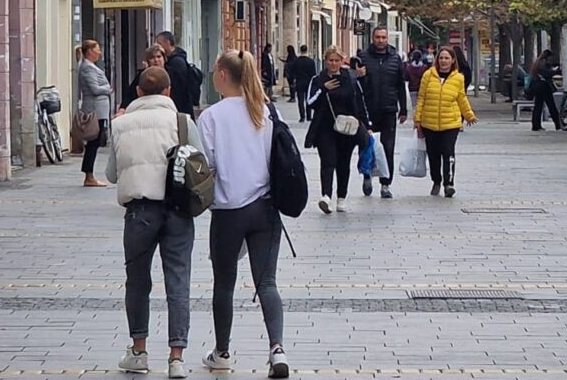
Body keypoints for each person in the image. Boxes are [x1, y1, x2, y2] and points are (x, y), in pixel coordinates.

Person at [197, 50, 289, 378]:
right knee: (267, 282)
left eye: (213, 71)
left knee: (224, 283)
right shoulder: (265, 111)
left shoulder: (211, 117)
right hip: (265, 209)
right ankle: (277, 349)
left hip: (228, 211)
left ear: (223, 75)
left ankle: (222, 352)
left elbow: (205, 167)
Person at [106, 67, 202, 379]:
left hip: (139, 212)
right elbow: (202, 162)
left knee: (137, 281)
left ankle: (139, 351)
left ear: (137, 92)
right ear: (168, 91)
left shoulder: (121, 124)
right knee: (178, 280)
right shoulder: (183, 122)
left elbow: (110, 174)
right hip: (177, 210)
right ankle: (176, 357)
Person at [305, 48, 371, 214]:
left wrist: (365, 124)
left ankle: (341, 198)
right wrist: (323, 89)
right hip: (324, 127)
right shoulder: (318, 79)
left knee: (343, 163)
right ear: (325, 61)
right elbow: (310, 102)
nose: (333, 64)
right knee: (328, 161)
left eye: (337, 61)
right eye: (330, 60)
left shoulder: (350, 78)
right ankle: (326, 196)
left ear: (342, 62)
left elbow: (360, 101)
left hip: (347, 128)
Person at [414, 47, 479, 198]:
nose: (443, 61)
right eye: (441, 58)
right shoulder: (428, 75)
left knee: (448, 152)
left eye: (446, 58)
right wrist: (418, 120)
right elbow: (421, 98)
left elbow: (461, 98)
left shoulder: (458, 78)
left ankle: (449, 183)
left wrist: (469, 115)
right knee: (433, 154)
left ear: (453, 60)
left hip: (451, 122)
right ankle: (436, 180)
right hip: (429, 122)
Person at [358, 26, 408, 199]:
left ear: (388, 39)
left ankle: (386, 184)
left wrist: (404, 109)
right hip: (367, 110)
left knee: (388, 148)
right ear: (373, 38)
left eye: (383, 37)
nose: (380, 40)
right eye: (378, 37)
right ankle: (367, 176)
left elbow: (401, 85)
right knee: (367, 146)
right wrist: (358, 75)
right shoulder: (363, 57)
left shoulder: (395, 58)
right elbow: (355, 84)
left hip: (388, 110)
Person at [77, 39, 111, 187]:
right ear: (90, 51)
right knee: (93, 143)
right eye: (97, 49)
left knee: (95, 143)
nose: (99, 52)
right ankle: (89, 175)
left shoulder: (91, 67)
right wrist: (108, 89)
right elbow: (95, 89)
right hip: (94, 110)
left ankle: (89, 174)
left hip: (99, 110)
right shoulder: (88, 68)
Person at [117, 45, 168, 116]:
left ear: (164, 58)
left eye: (159, 57)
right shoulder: (143, 75)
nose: (156, 60)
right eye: (152, 58)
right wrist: (122, 110)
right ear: (148, 61)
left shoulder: (171, 73)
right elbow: (130, 93)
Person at [155, 32, 195, 116]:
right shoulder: (174, 60)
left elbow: (177, 89)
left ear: (167, 43)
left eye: (159, 43)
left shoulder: (176, 63)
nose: (157, 47)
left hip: (179, 109)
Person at [529, 50, 562, 132]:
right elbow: (547, 73)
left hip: (537, 86)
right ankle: (558, 124)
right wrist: (556, 71)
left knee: (538, 106)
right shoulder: (542, 63)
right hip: (543, 87)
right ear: (548, 57)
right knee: (551, 105)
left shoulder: (538, 62)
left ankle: (536, 125)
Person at [292, 45, 318, 123]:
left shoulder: (296, 61)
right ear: (307, 50)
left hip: (299, 82)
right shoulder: (311, 61)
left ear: (300, 50)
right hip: (308, 82)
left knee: (300, 100)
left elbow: (293, 72)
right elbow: (314, 74)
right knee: (308, 99)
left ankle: (302, 117)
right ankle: (309, 116)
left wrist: (294, 80)